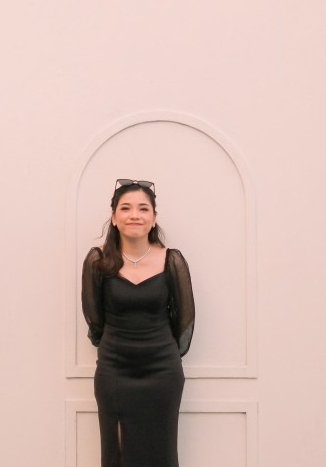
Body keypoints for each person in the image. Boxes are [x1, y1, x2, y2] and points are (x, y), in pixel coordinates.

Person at [81, 179, 195, 467]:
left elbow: (184, 322)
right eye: (126, 208)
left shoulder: (171, 260)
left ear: (154, 218)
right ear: (114, 217)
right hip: (114, 371)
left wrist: (159, 351)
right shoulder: (98, 261)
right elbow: (95, 322)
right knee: (117, 454)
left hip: (162, 372)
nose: (135, 215)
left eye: (143, 208)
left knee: (162, 454)